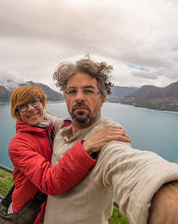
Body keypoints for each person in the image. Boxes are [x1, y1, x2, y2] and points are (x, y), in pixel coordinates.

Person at [43, 56, 178, 224]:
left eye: (88, 90)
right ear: (65, 97)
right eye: (72, 91)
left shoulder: (107, 139)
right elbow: (49, 118)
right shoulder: (61, 129)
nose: (79, 97)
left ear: (102, 98)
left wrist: (175, 197)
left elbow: (133, 167)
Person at [7, 85, 131, 223]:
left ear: (42, 103)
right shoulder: (18, 144)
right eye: (23, 106)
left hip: (47, 211)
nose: (30, 108)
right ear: (17, 113)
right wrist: (87, 146)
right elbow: (48, 181)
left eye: (34, 102)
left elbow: (56, 121)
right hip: (28, 216)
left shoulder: (48, 129)